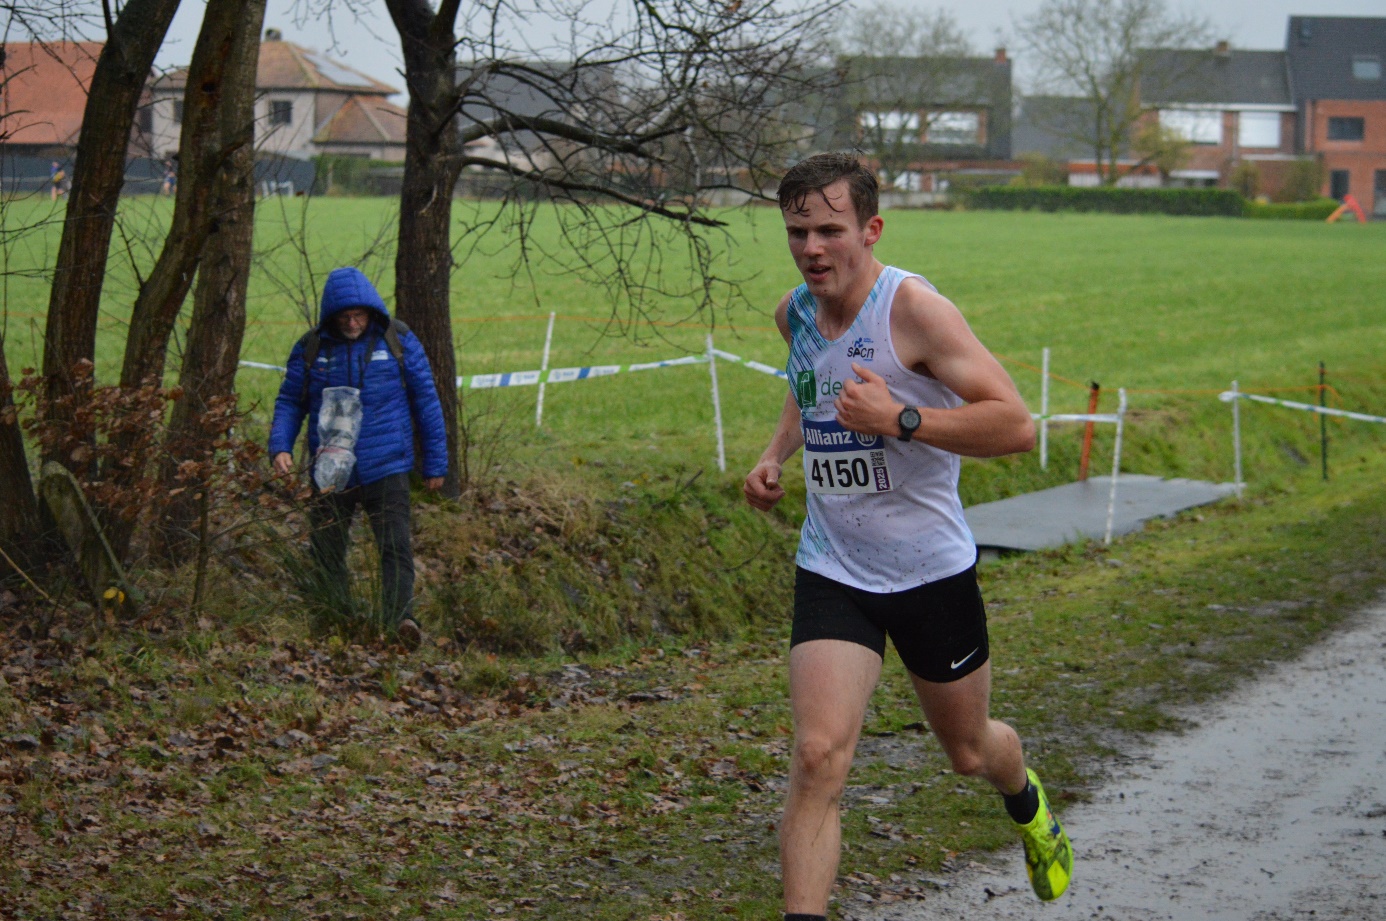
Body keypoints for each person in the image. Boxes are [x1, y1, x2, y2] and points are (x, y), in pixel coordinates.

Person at [742, 153, 1072, 919]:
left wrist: (902, 418)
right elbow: (807, 386)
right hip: (834, 564)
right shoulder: (794, 311)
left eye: (830, 229)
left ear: (872, 228)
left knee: (969, 752)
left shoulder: (914, 311)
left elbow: (1017, 425)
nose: (812, 248)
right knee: (818, 755)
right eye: (798, 231)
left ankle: (1026, 802)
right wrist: (773, 454)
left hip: (928, 571)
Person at [269, 267, 448, 649]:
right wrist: (280, 446)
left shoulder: (398, 340)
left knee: (395, 549)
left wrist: (435, 463)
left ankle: (401, 621)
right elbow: (289, 401)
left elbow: (427, 401)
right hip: (330, 469)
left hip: (388, 464)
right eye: (345, 316)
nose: (352, 323)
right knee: (327, 550)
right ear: (332, 315)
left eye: (359, 315)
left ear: (371, 311)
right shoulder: (311, 348)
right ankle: (334, 621)